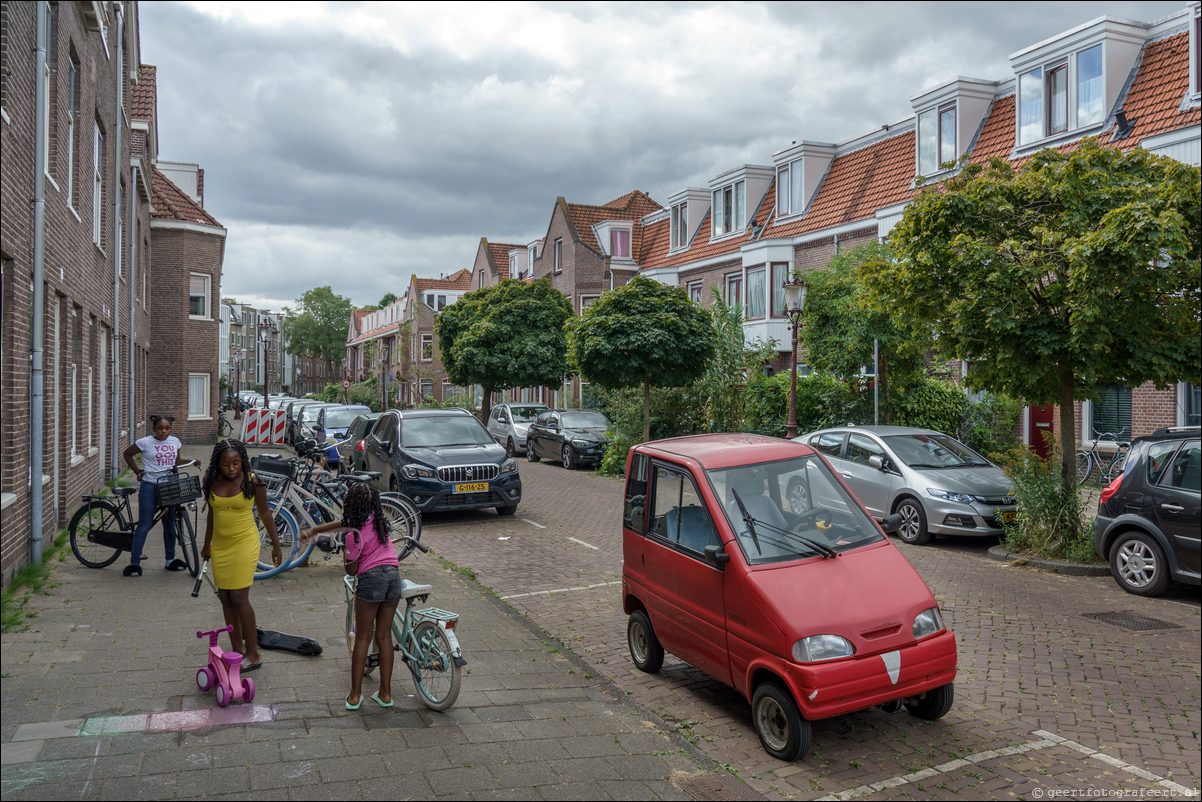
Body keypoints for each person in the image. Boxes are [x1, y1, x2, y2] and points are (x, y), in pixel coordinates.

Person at [300, 483, 399, 710]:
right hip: (393, 576)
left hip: (371, 580)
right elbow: (344, 524)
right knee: (384, 637)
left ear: (350, 505)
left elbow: (351, 570)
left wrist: (346, 554)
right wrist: (316, 531)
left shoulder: (353, 535)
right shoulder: (379, 521)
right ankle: (385, 694)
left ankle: (355, 695)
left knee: (363, 637)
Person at [201, 439, 283, 673]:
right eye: (226, 464)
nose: (232, 468)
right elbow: (212, 515)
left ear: (242, 461)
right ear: (218, 463)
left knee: (238, 597)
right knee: (225, 599)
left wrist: (276, 545)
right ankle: (237, 652)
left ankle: (253, 654)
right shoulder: (210, 481)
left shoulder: (252, 481)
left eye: (236, 463)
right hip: (221, 546)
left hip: (245, 542)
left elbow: (266, 513)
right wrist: (206, 544)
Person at [122, 415, 196, 577]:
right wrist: (138, 472)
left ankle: (170, 560)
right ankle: (134, 563)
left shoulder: (175, 442)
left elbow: (176, 461)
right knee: (145, 524)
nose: (163, 431)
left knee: (170, 523)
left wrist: (192, 460)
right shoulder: (145, 442)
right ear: (154, 428)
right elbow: (127, 454)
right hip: (150, 485)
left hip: (169, 485)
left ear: (171, 428)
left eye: (167, 428)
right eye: (160, 428)